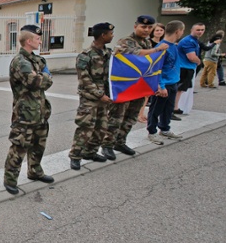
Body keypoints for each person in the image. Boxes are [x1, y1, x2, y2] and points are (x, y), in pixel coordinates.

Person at [101, 15, 169, 158]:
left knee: (131, 117)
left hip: (138, 87)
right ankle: (107, 145)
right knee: (116, 117)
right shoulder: (126, 41)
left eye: (149, 27)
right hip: (123, 86)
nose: (146, 30)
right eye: (143, 27)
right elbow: (136, 55)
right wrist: (157, 50)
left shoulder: (147, 43)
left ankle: (120, 142)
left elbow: (150, 66)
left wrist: (154, 84)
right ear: (135, 26)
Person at [3, 24, 55, 195]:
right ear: (28, 40)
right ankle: (10, 180)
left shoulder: (38, 60)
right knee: (19, 147)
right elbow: (36, 82)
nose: (40, 41)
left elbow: (46, 79)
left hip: (40, 112)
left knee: (39, 145)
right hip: (24, 114)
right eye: (38, 38)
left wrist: (44, 77)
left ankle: (35, 171)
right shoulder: (20, 62)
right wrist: (45, 76)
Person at [69, 22, 114, 170]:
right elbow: (84, 79)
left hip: (105, 97)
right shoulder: (85, 55)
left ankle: (90, 152)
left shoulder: (109, 54)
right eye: (110, 33)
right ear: (103, 35)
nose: (112, 36)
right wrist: (99, 94)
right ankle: (75, 156)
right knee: (85, 127)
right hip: (90, 98)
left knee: (101, 127)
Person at [147, 20, 185, 144]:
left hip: (173, 82)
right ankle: (152, 131)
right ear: (178, 31)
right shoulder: (162, 48)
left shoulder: (174, 46)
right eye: (182, 31)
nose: (182, 33)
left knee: (168, 109)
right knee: (156, 109)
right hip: (164, 84)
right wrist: (161, 86)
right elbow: (156, 69)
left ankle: (164, 128)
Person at [174, 23, 210, 114]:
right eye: (198, 30)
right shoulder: (189, 41)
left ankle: (176, 107)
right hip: (184, 68)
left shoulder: (194, 40)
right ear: (192, 30)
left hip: (186, 67)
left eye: (202, 30)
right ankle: (174, 108)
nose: (200, 32)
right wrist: (199, 62)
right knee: (179, 89)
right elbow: (191, 57)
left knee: (182, 89)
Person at [138, 22, 166, 123]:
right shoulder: (148, 43)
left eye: (161, 30)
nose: (159, 32)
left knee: (149, 93)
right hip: (146, 70)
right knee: (144, 93)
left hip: (157, 69)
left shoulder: (164, 43)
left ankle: (143, 113)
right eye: (157, 30)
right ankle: (139, 114)